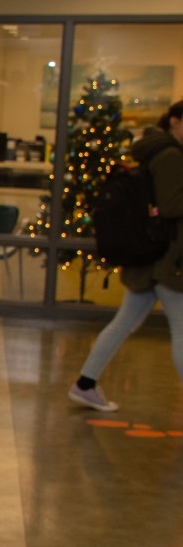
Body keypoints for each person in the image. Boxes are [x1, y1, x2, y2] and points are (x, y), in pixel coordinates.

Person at [69, 99, 183, 411]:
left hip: (150, 258)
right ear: (174, 121)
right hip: (167, 260)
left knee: (124, 323)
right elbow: (173, 206)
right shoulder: (171, 155)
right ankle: (84, 384)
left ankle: (85, 384)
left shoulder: (153, 150)